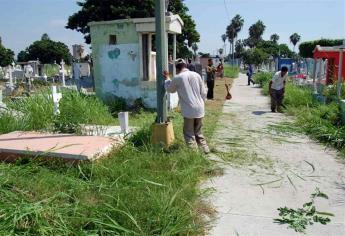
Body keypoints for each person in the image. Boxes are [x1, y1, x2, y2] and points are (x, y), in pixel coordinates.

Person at [163, 58, 210, 154]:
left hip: (189, 110)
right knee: (198, 132)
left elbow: (170, 89)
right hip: (200, 108)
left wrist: (167, 78)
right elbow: (204, 93)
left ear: (176, 68)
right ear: (186, 65)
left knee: (189, 133)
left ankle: (194, 154)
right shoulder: (196, 75)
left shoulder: (178, 78)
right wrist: (201, 103)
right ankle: (205, 149)